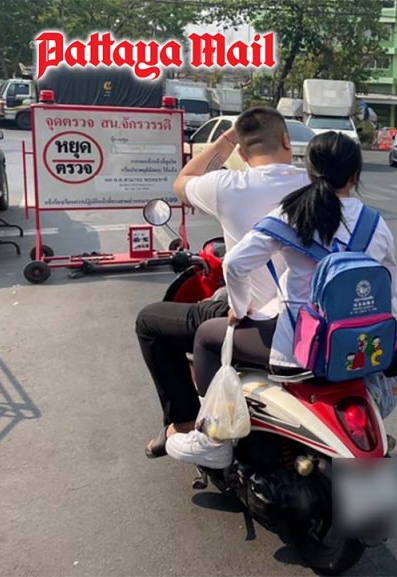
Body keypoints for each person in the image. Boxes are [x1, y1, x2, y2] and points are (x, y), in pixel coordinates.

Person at [165, 131, 397, 462]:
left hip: (299, 350)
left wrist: (239, 308)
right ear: (355, 175)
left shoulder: (293, 213)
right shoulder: (375, 223)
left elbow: (234, 264)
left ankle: (214, 440)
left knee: (206, 336)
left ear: (311, 171)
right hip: (360, 350)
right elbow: (389, 284)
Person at [135, 107, 309, 461]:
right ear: (286, 140)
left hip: (256, 318)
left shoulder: (228, 186)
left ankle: (187, 423)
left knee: (149, 322)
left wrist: (227, 139)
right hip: (311, 316)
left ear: (242, 153)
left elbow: (182, 182)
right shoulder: (315, 185)